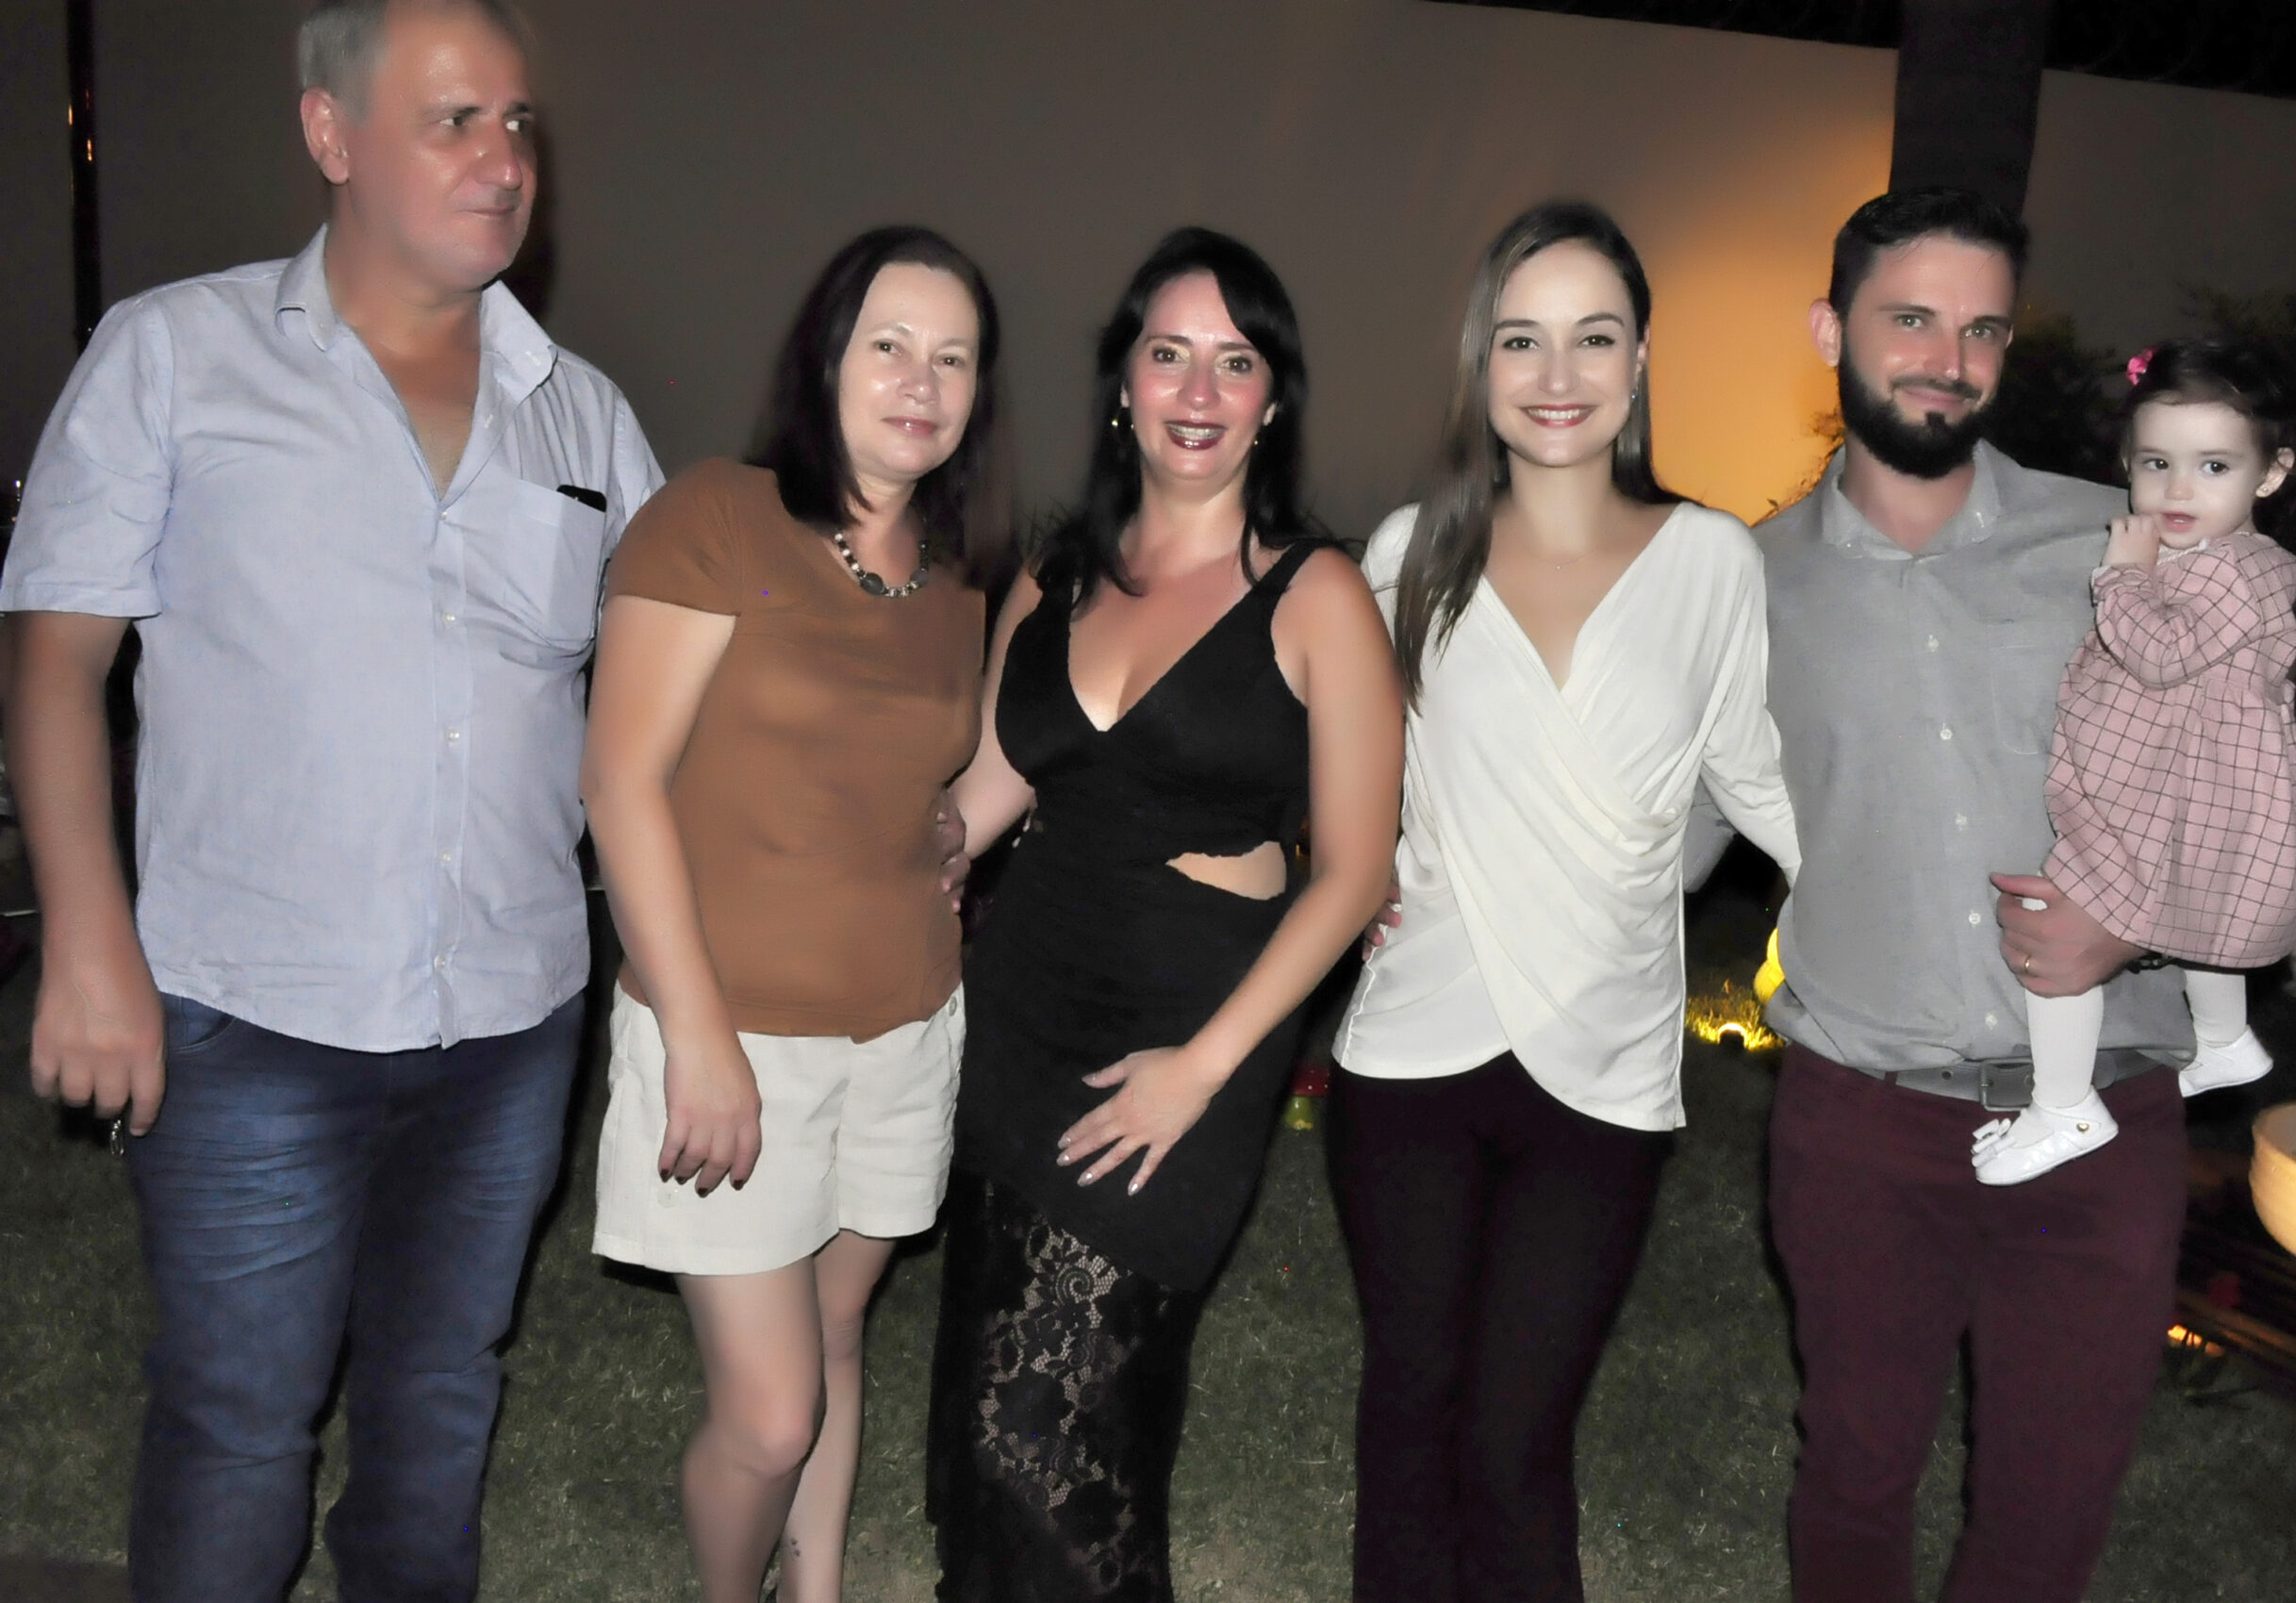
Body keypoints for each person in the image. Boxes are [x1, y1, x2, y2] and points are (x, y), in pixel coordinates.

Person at [0, 3, 660, 1597]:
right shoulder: (174, 354)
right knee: (240, 1423)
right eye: (454, 120)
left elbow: (672, 706)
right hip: (248, 1017)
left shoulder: (584, 414)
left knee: (440, 1397)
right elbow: (55, 660)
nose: (504, 159)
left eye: (518, 122)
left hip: (510, 1020)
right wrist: (86, 938)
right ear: (330, 134)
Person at [924, 227, 1402, 1601]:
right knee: (978, 1418)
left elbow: (1355, 870)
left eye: (1234, 362)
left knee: (1056, 1426)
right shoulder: (1057, 570)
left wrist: (1202, 1070)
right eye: (1170, 353)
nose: (1199, 392)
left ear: (1272, 397)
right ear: (1122, 381)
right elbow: (985, 794)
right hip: (1021, 1009)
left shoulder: (1316, 594)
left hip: (1190, 1030)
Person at [1735, 187, 2197, 1603]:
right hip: (1864, 1120)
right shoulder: (1743, 587)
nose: (1949, 359)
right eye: (1911, 319)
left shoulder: (2122, 542)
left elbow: (2239, 795)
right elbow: (1653, 835)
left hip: (2105, 1113)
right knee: (1855, 1473)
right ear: (1830, 332)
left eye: (1983, 328)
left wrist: (2144, 920)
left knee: (2050, 1510)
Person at [1337, 200, 1798, 1603]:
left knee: (1516, 1439)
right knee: (1411, 1408)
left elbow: (1756, 778)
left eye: (1593, 338)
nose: (1556, 374)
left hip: (1603, 1073)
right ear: (1480, 361)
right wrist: (1336, 868)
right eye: (1521, 339)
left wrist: (1914, 914)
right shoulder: (1409, 550)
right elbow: (1341, 766)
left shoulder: (1711, 562)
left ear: (1640, 360)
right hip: (1411, 1051)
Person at [583, 227, 1001, 1603]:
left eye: (953, 358)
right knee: (769, 1414)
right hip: (736, 1034)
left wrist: (953, 826)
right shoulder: (716, 515)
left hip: (906, 1028)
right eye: (890, 345)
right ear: (827, 356)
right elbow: (620, 780)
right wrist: (696, 1035)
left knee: (832, 1336)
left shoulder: (958, 577)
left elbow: (927, 773)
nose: (920, 381)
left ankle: (810, 1589)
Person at [1974, 339, 2296, 1183]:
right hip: (2180, 792)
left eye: (2214, 467)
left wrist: (2122, 577)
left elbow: (2159, 657)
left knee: (2055, 930)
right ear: (2127, 461)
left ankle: (2064, 1106)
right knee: (2204, 918)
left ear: (2271, 475)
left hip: (2169, 799)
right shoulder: (2208, 560)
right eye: (2157, 463)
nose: (2178, 489)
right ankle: (2225, 1040)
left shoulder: (2240, 573)